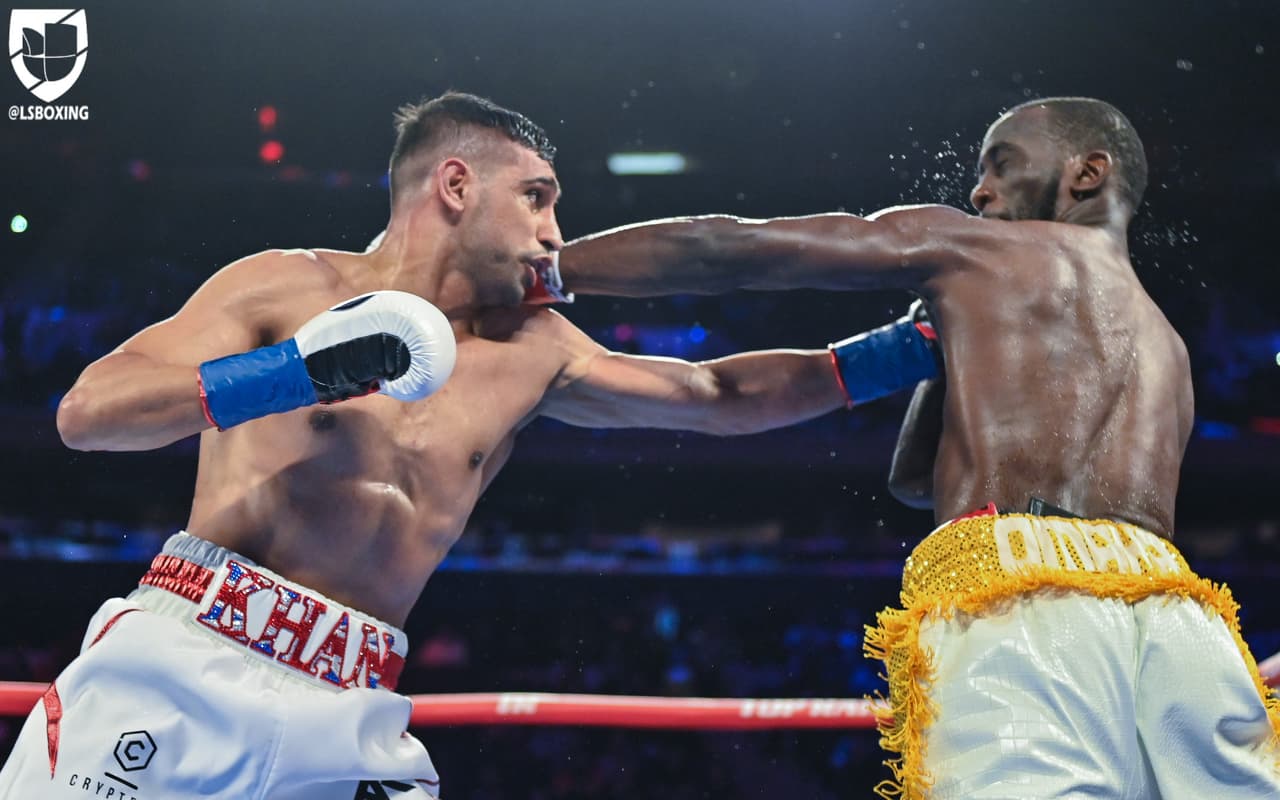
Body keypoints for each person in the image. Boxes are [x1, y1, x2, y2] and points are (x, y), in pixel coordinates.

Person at [0, 92, 938, 799]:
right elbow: (90, 412)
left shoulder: (537, 351)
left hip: (352, 704)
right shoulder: (287, 288)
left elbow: (714, 392)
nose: (554, 233)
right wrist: (296, 373)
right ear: (455, 184)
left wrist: (901, 353)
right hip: (189, 658)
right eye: (536, 198)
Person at [556, 97, 1280, 798]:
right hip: (1178, 614)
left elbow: (729, 247)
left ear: (1086, 174)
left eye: (1002, 164)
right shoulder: (1168, 345)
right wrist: (946, 347)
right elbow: (915, 477)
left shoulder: (978, 249)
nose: (979, 188)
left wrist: (552, 271)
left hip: (1019, 590)